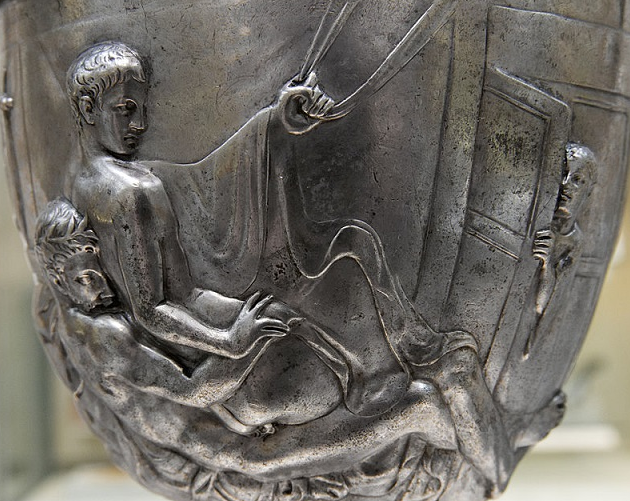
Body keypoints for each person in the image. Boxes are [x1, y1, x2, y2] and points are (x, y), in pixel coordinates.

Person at [526, 143, 597, 356]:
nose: (565, 186)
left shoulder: (574, 243)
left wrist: (547, 264)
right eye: (562, 175)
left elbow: (544, 308)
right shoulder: (533, 217)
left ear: (588, 191)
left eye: (577, 179)